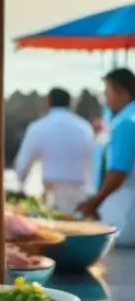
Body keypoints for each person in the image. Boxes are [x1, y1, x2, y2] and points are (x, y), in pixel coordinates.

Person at [12, 88, 95, 213]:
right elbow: (93, 161)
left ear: (48, 101)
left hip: (52, 194)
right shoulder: (85, 127)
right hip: (82, 195)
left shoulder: (38, 127)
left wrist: (20, 185)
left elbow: (22, 164)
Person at [78, 68, 135, 245]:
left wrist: (95, 202)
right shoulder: (121, 120)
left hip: (123, 213)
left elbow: (118, 172)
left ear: (121, 91)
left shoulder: (126, 123)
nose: (105, 99)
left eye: (107, 92)